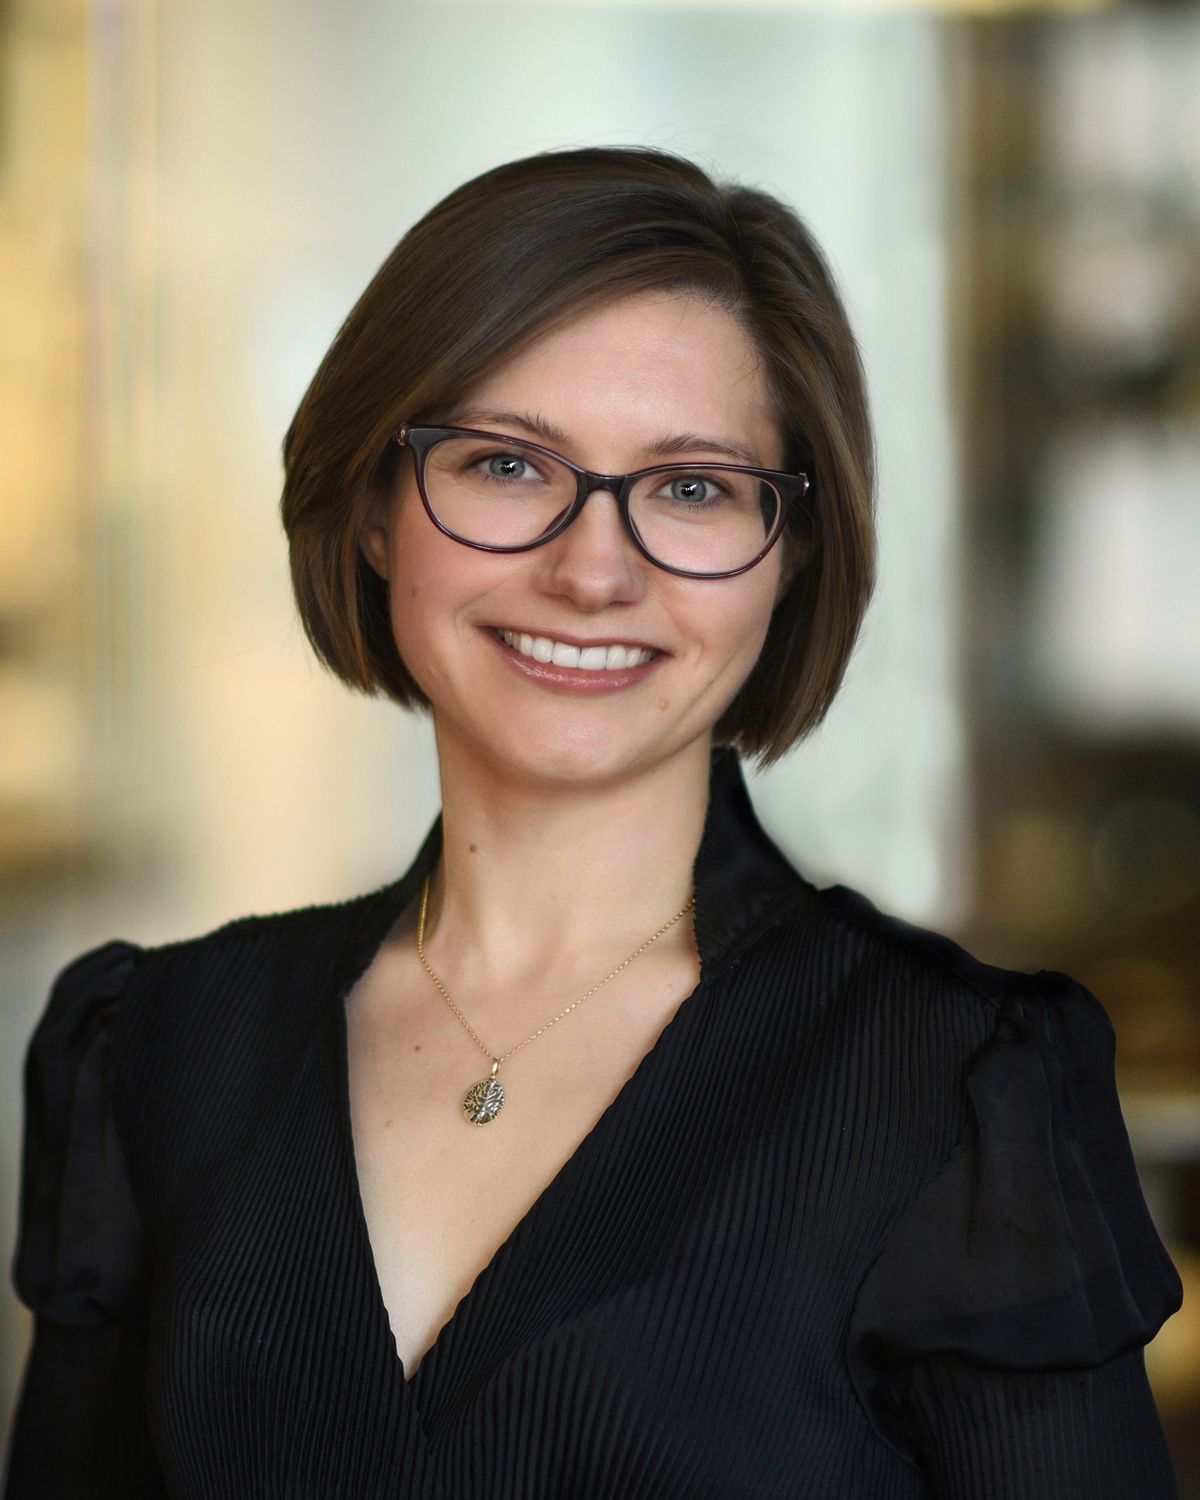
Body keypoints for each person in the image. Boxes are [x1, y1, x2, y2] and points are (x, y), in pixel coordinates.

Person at [4, 146, 1183, 1499]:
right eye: (508, 465)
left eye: (691, 488)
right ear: (377, 511)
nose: (592, 568)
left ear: (792, 559)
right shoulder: (153, 1050)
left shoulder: (958, 1093)